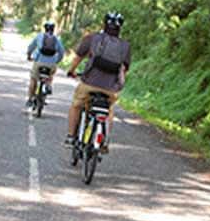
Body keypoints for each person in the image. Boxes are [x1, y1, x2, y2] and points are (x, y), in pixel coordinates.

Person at [64, 12, 131, 152]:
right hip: (110, 89)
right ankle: (105, 140)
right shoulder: (125, 46)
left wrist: (71, 71)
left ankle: (71, 136)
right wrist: (118, 84)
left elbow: (78, 57)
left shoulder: (93, 38)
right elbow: (124, 69)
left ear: (105, 24)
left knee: (76, 105)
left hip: (89, 83)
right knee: (109, 110)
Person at [26, 21, 65, 108]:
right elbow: (62, 52)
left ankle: (29, 99)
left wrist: (29, 56)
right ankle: (48, 86)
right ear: (53, 29)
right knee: (50, 76)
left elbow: (31, 47)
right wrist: (57, 61)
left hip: (39, 62)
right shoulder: (57, 39)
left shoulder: (39, 36)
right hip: (51, 64)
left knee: (33, 79)